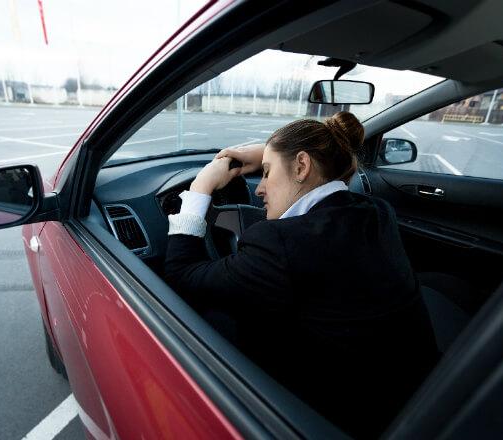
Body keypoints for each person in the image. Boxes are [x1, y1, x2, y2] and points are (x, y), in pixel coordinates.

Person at [164, 112, 439, 439]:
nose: (260, 189)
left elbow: (182, 275)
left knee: (208, 320)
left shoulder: (280, 243)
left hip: (339, 417)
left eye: (266, 173)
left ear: (301, 166)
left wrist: (200, 188)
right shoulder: (376, 212)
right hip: (414, 394)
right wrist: (269, 153)